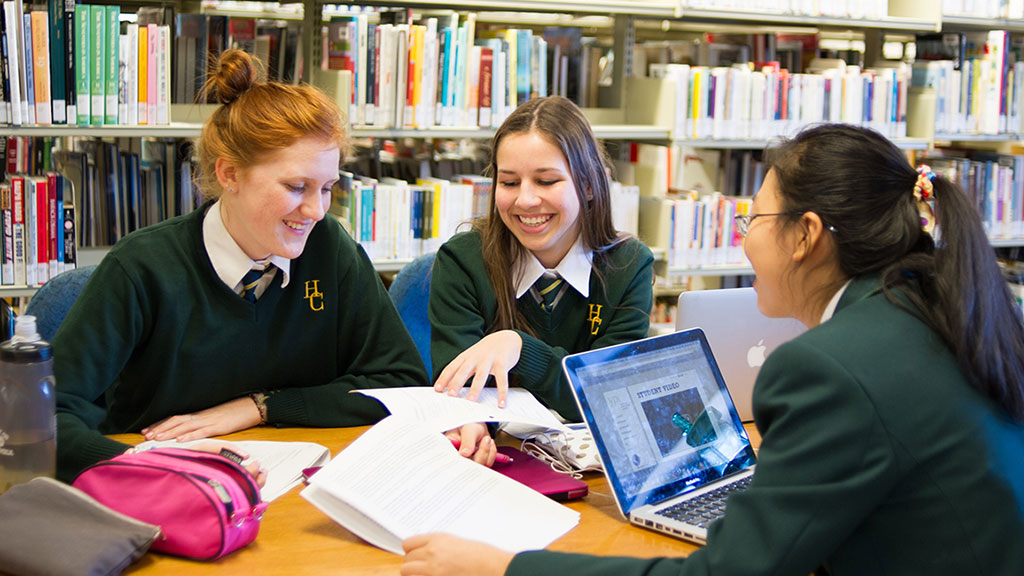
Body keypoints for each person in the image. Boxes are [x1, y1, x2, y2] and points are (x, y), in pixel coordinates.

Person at [401, 123, 1024, 575]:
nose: (743, 243)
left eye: (750, 221)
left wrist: (504, 569)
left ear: (804, 236)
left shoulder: (828, 369)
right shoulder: (955, 305)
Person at [52, 49, 432, 483]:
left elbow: (399, 381)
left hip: (294, 483)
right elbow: (47, 416)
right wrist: (154, 470)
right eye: (296, 186)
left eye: (327, 188)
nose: (316, 211)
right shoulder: (142, 267)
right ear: (229, 175)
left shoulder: (330, 248)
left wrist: (260, 406)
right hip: (163, 488)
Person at [427, 96, 654, 457]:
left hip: (594, 467)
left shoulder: (629, 266)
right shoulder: (463, 260)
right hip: (502, 460)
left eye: (546, 181)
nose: (526, 201)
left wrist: (520, 348)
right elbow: (458, 388)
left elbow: (608, 398)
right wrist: (468, 423)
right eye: (510, 182)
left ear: (590, 184)